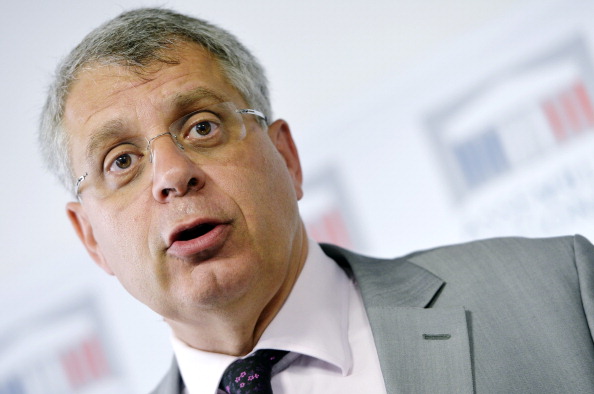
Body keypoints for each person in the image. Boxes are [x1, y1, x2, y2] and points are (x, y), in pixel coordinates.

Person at [39, 7, 594, 394]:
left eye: (203, 126)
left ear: (287, 158)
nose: (173, 175)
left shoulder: (556, 290)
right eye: (121, 161)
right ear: (91, 238)